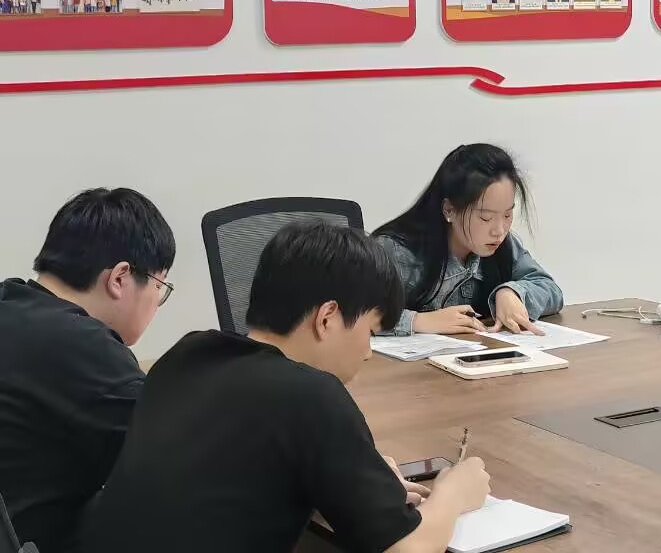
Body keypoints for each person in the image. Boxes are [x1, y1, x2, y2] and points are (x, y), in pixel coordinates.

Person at [79, 222, 491, 553]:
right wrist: (453, 494)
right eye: (369, 331)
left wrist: (355, 476)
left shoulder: (188, 354)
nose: (368, 352)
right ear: (327, 318)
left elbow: (236, 473)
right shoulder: (312, 395)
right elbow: (405, 548)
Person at [0, 188, 176, 553]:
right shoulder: (85, 348)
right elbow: (183, 454)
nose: (157, 302)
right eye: (160, 286)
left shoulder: (12, 301)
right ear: (120, 278)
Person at [374, 144, 563, 336]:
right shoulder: (396, 250)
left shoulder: (505, 246)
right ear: (449, 210)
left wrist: (512, 292)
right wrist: (418, 321)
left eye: (507, 215)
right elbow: (358, 313)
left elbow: (550, 289)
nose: (499, 231)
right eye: (485, 218)